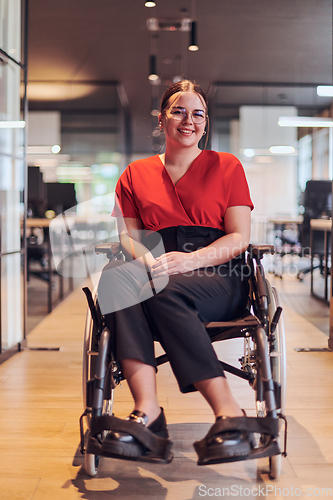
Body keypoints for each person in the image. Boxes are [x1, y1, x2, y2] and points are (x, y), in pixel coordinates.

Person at [96, 79, 254, 465]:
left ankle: (229, 411)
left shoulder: (227, 166)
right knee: (117, 279)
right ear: (162, 119)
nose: (189, 120)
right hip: (159, 263)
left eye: (197, 113)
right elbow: (129, 237)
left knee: (163, 290)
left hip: (216, 271)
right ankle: (148, 411)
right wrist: (152, 264)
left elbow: (239, 236)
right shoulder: (135, 174)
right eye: (178, 111)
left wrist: (189, 260)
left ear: (206, 122)